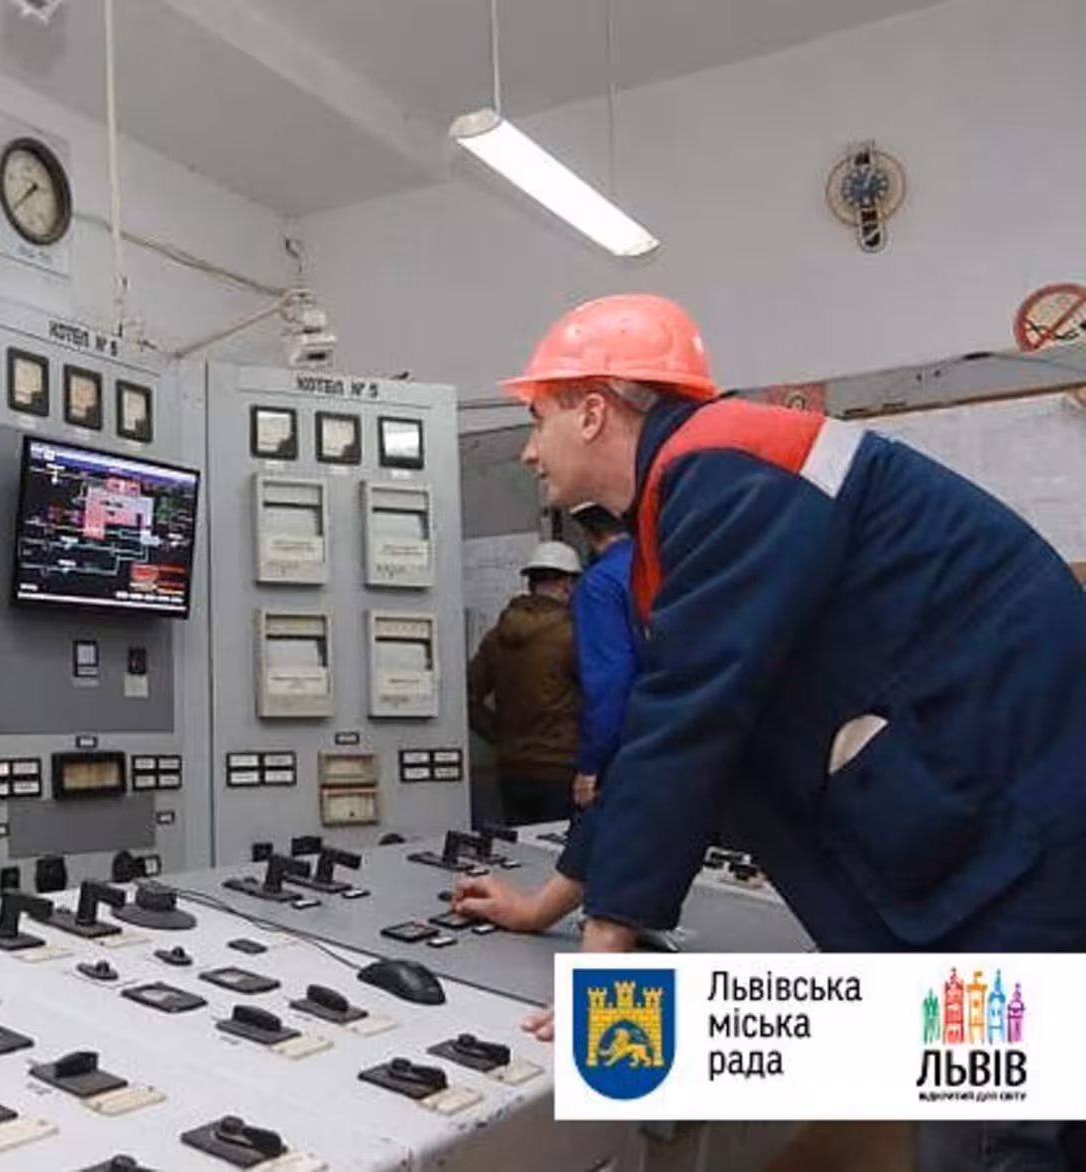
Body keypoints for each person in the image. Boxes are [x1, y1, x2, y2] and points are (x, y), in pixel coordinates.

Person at [449, 293, 1086, 1172]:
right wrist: (549, 904)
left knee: (990, 1127)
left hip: (1013, 834)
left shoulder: (732, 470)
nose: (527, 449)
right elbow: (664, 722)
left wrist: (606, 958)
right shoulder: (699, 491)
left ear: (593, 411)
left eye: (537, 418)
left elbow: (691, 718)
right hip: (982, 816)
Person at [465, 541, 584, 827]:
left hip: (511, 769)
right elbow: (600, 695)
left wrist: (500, 735)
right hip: (562, 768)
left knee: (522, 848)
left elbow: (467, 697)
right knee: (560, 848)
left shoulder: (496, 636)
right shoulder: (573, 635)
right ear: (567, 584)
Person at [567, 503, 637, 812]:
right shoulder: (669, 565)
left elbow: (610, 679)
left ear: (588, 534)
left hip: (628, 747)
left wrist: (590, 763)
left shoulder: (600, 583)